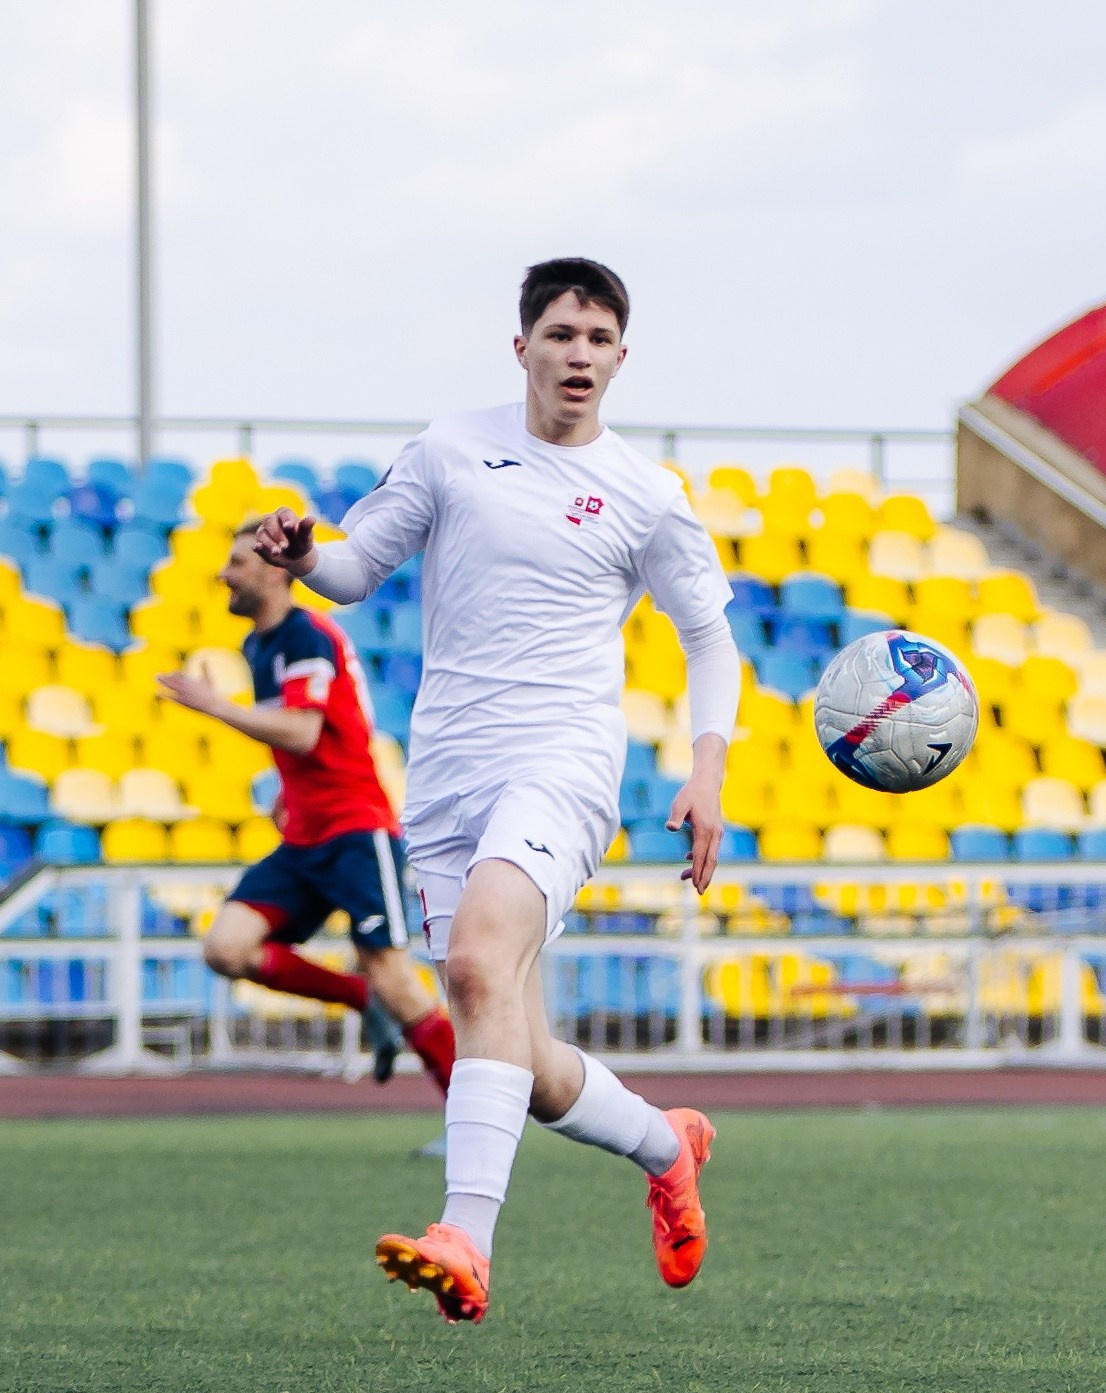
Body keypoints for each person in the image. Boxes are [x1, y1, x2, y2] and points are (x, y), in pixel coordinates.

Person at [250, 258, 741, 1325]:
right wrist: (300, 556)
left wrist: (706, 772)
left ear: (620, 357)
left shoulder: (648, 496)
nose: (579, 354)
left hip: (560, 765)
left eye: (598, 338)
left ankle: (463, 1236)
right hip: (447, 777)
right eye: (560, 334)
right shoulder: (448, 448)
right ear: (521, 347)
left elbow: (709, 638)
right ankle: (667, 1144)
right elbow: (353, 569)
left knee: (472, 962)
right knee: (518, 1047)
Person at [159, 524, 455, 1092]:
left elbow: (301, 732)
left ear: (274, 571)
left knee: (395, 975)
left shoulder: (305, 636)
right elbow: (305, 735)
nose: (224, 574)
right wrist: (284, 794)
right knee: (227, 948)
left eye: (237, 562)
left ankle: (466, 1116)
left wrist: (217, 707)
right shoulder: (261, 643)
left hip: (354, 829)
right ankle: (360, 998)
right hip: (306, 835)